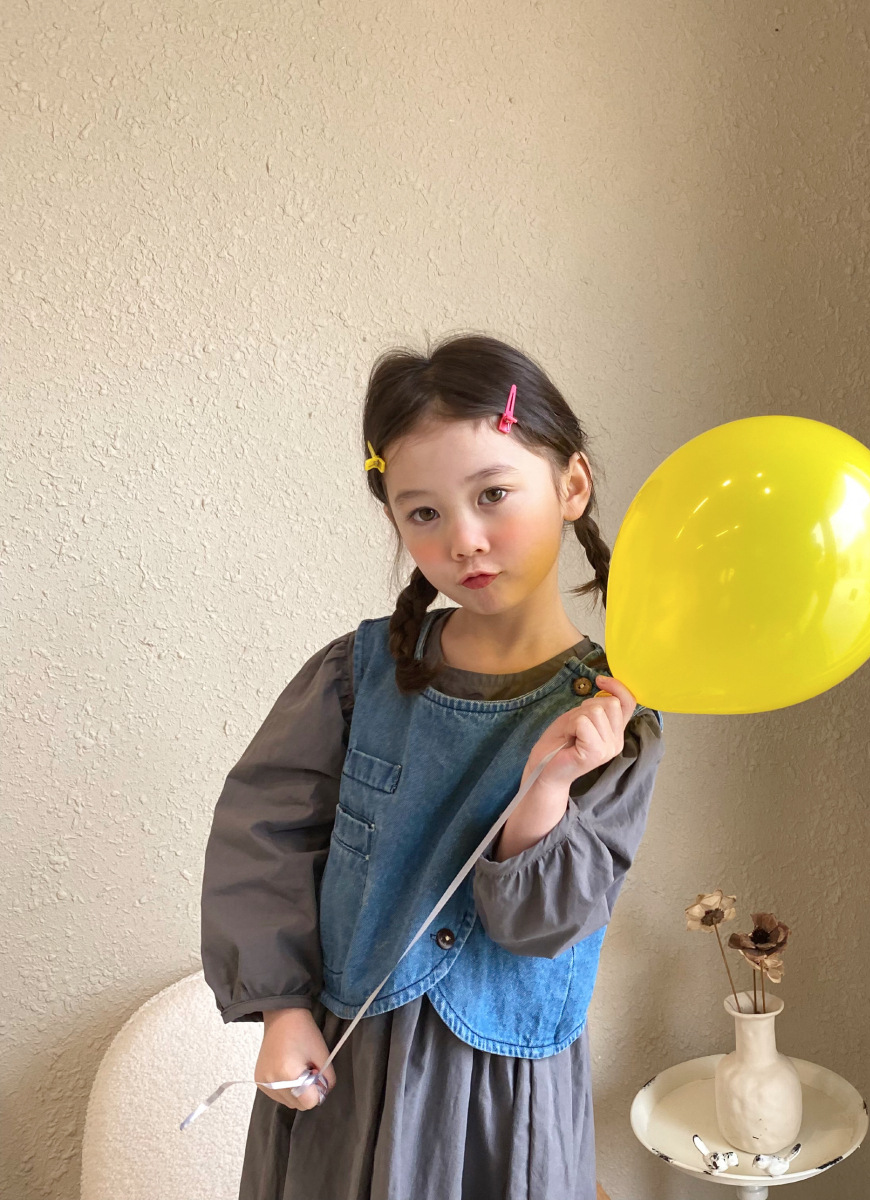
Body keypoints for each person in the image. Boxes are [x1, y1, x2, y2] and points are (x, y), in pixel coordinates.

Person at [199, 333, 667, 1200]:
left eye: (493, 494)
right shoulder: (355, 677)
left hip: (503, 1096)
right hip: (345, 1071)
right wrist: (282, 1009)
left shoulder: (611, 719)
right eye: (424, 513)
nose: (466, 540)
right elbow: (262, 836)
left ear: (572, 485)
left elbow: (544, 927)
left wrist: (546, 788)